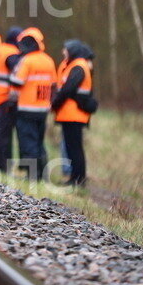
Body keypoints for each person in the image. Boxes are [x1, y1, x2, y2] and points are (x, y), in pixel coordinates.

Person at [9, 27, 57, 181]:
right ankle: (43, 175)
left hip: (26, 108)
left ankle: (32, 176)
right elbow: (54, 84)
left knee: (28, 142)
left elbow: (17, 81)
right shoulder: (48, 60)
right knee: (39, 142)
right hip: (43, 108)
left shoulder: (27, 60)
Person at [52, 39, 96, 186]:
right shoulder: (73, 65)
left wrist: (55, 103)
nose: (63, 52)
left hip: (74, 115)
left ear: (73, 50)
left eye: (66, 49)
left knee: (75, 148)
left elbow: (68, 89)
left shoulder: (78, 67)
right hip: (69, 114)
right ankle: (74, 178)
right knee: (72, 148)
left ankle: (79, 179)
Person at [0, 27, 22, 172]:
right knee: (4, 135)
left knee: (1, 133)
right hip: (6, 98)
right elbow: (17, 70)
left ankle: (1, 165)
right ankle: (3, 167)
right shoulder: (11, 53)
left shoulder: (0, 49)